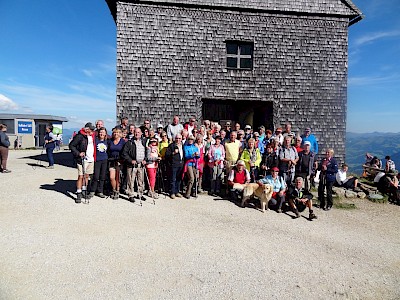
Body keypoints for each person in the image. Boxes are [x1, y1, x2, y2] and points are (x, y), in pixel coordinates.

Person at [69, 122, 96, 203]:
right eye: (91, 129)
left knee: (86, 176)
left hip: (91, 159)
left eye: (92, 129)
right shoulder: (80, 136)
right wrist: (78, 153)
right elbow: (71, 145)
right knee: (81, 176)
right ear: (86, 129)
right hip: (82, 160)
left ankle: (84, 190)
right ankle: (79, 192)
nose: (92, 131)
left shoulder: (92, 136)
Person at [121, 128, 148, 202]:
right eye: (136, 132)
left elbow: (146, 152)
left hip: (141, 164)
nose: (137, 134)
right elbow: (124, 153)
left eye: (138, 132)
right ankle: (131, 195)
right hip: (132, 165)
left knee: (141, 180)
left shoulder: (143, 141)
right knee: (131, 180)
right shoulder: (129, 142)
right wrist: (130, 160)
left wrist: (145, 159)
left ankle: (140, 194)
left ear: (141, 133)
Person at [89, 127, 109, 198]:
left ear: (105, 133)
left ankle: (100, 191)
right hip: (97, 160)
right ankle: (92, 190)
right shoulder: (95, 141)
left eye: (103, 132)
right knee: (95, 176)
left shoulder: (107, 141)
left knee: (102, 176)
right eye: (100, 132)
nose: (101, 134)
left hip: (104, 160)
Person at [108, 128, 126, 199]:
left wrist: (121, 160)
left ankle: (117, 190)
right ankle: (114, 189)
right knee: (111, 177)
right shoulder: (110, 141)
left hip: (119, 161)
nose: (116, 134)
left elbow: (124, 151)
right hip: (111, 160)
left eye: (118, 132)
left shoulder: (123, 142)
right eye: (115, 132)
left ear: (120, 134)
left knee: (118, 177)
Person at [165, 134, 185, 199]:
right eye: (177, 138)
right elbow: (167, 155)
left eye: (179, 138)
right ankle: (172, 192)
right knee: (173, 179)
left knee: (179, 179)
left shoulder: (182, 146)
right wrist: (173, 153)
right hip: (174, 165)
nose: (178, 140)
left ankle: (177, 191)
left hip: (181, 164)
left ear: (181, 139)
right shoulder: (171, 146)